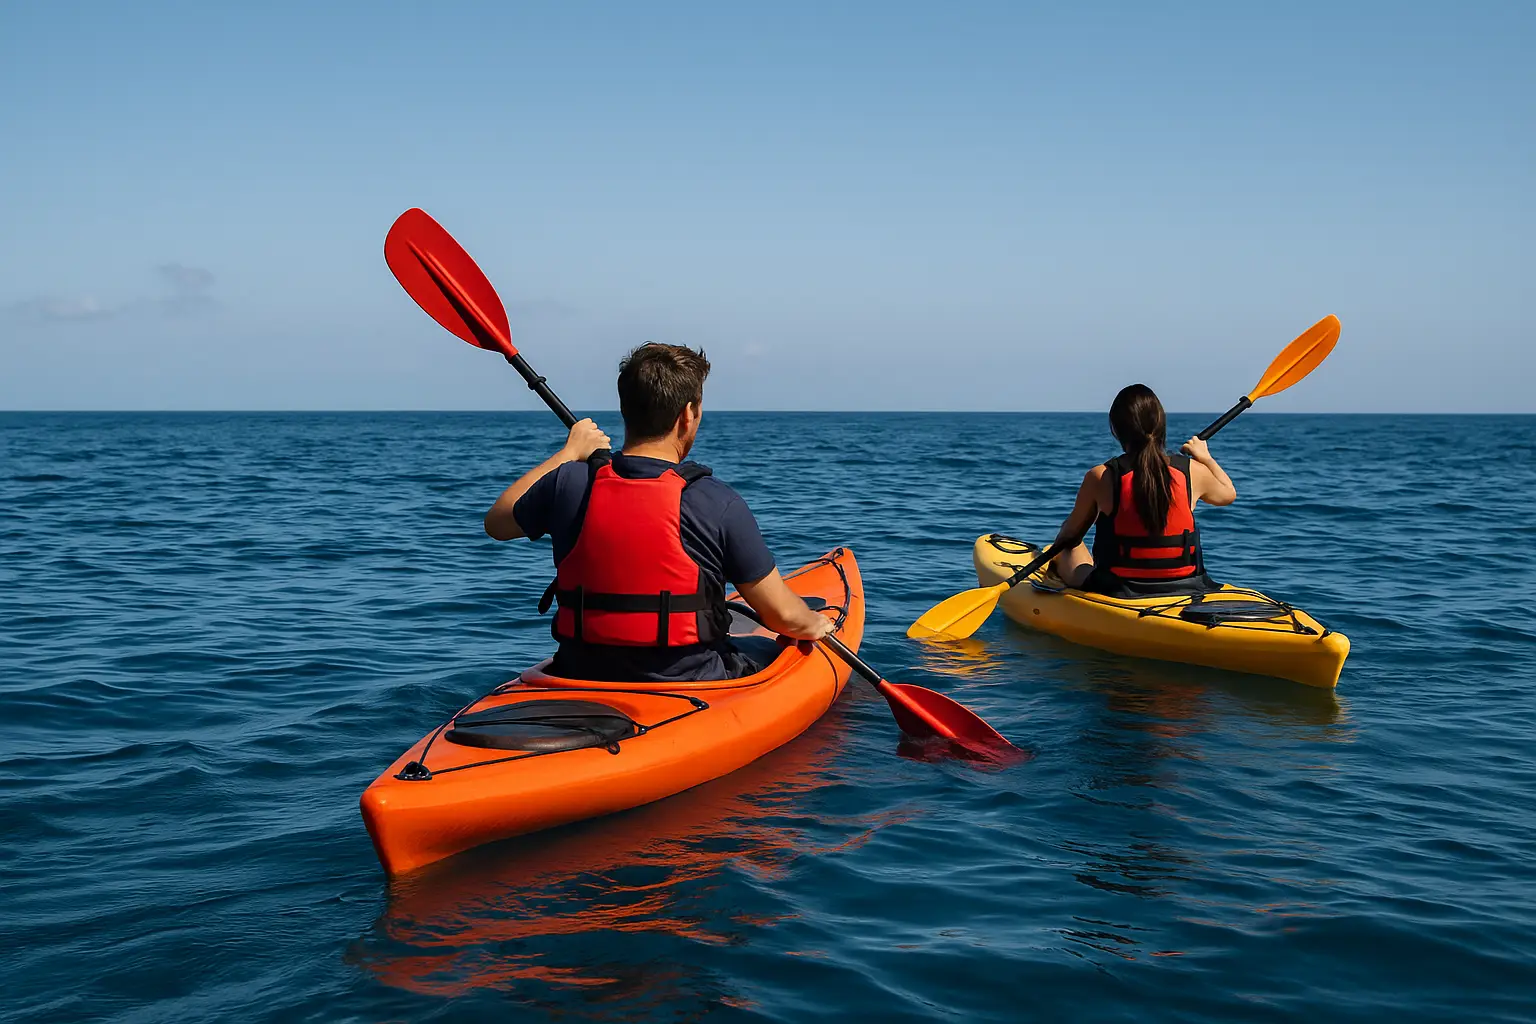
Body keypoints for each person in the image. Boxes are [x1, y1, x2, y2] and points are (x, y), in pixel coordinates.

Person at [483, 342, 832, 682]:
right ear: (688, 415)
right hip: (690, 679)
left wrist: (568, 453)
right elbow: (783, 615)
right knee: (771, 647)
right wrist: (813, 623)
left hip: (579, 672)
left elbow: (497, 523)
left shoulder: (568, 482)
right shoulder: (716, 501)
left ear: (625, 409)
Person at [1049, 383, 1237, 596]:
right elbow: (1228, 493)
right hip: (1187, 584)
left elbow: (1070, 536)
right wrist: (1205, 457)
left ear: (1116, 430)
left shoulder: (1102, 476)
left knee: (1067, 547)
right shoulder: (1191, 471)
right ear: (1160, 425)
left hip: (1119, 588)